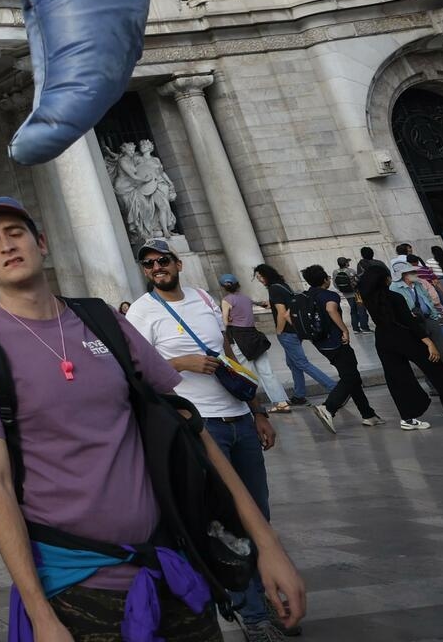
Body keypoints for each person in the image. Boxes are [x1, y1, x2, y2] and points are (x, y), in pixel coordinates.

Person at [0, 197, 307, 642]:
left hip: (172, 562)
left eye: (15, 232)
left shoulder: (102, 321)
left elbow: (189, 431)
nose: (6, 246)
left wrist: (266, 544)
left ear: (41, 242)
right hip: (75, 588)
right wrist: (40, 615)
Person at [126, 240, 289, 640]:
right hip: (199, 425)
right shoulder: (143, 312)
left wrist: (258, 409)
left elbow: (227, 354)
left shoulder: (203, 298)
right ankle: (253, 616)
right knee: (229, 519)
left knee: (259, 514)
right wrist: (177, 363)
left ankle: (267, 592)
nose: (156, 267)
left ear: (178, 263)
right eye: (148, 264)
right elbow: (133, 370)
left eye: (162, 260)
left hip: (238, 417)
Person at [365, 258, 443, 430]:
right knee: (439, 373)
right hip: (406, 338)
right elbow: (409, 322)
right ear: (386, 280)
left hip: (383, 340)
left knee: (397, 379)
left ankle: (408, 418)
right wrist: (428, 342)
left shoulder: (370, 300)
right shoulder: (395, 297)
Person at [295, 265, 380, 431]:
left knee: (350, 376)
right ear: (325, 279)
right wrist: (344, 330)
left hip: (320, 343)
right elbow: (331, 309)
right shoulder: (329, 295)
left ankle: (368, 414)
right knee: (351, 377)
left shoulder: (306, 295)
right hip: (336, 341)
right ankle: (328, 407)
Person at [255, 264, 337, 406]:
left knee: (301, 362)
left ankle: (333, 388)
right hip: (295, 328)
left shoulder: (274, 289)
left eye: (260, 277)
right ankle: (299, 395)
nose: (260, 280)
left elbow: (281, 312)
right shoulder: (282, 285)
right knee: (293, 363)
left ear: (266, 275)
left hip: (287, 331)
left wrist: (279, 331)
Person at [218, 273, 290, 412]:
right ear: (238, 284)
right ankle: (281, 403)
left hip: (239, 338)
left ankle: (251, 406)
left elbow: (225, 322)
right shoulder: (246, 298)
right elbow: (259, 305)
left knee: (245, 373)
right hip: (254, 336)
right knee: (267, 372)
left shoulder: (227, 300)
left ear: (223, 287)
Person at [332, 258, 369, 333]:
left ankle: (355, 328)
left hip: (347, 294)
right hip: (356, 293)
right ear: (345, 263)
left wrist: (342, 290)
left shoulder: (335, 272)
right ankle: (364, 327)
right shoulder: (351, 271)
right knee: (361, 310)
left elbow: (335, 284)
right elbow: (357, 280)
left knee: (353, 310)